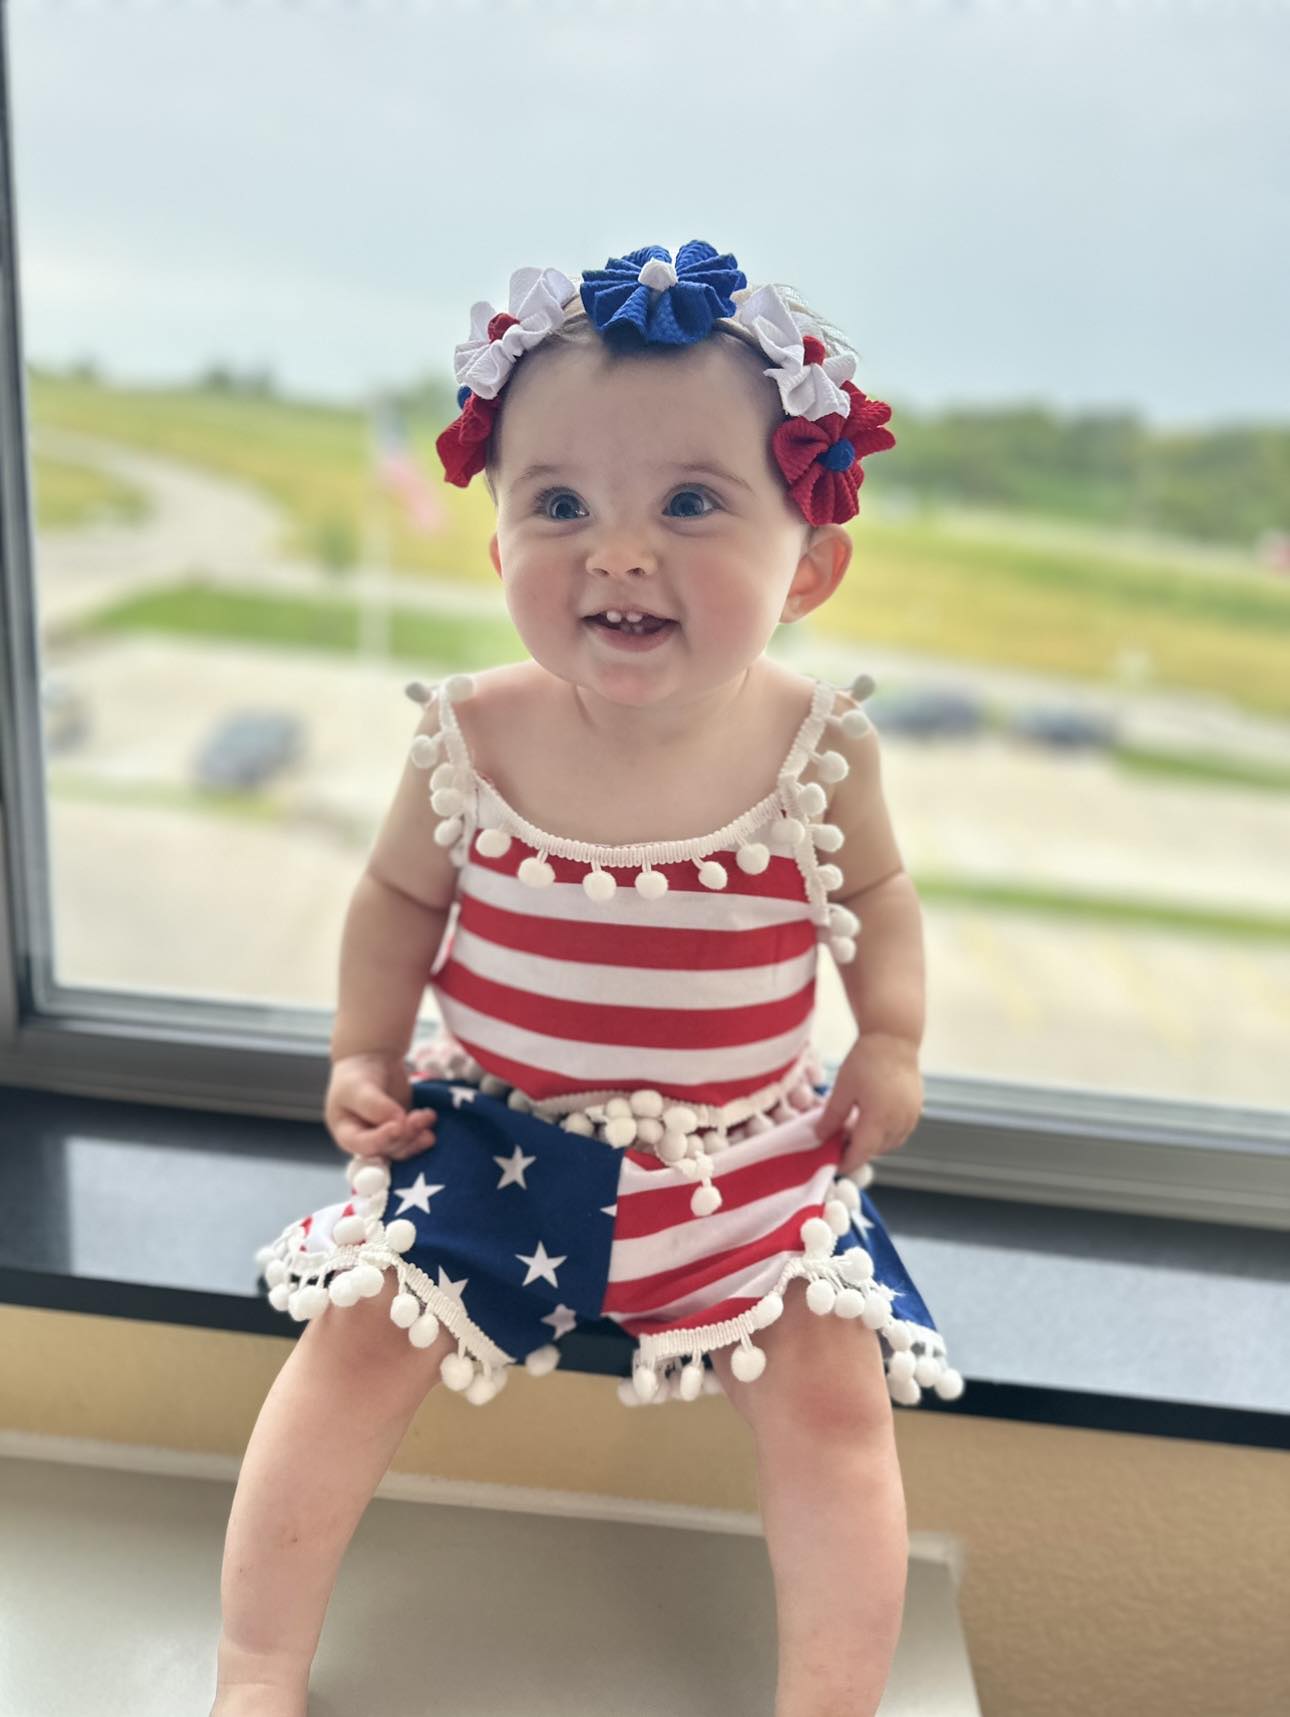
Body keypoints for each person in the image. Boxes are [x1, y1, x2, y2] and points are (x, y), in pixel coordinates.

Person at [213, 240, 964, 1717]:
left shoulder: (820, 745)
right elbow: (394, 899)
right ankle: (254, 1664)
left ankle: (832, 1700)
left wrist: (890, 1037)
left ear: (808, 562)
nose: (616, 551)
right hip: (497, 1137)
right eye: (558, 505)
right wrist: (362, 1052)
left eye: (689, 502)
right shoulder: (473, 735)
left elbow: (874, 898)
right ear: (498, 549)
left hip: (744, 1148)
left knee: (830, 1404)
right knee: (354, 1343)